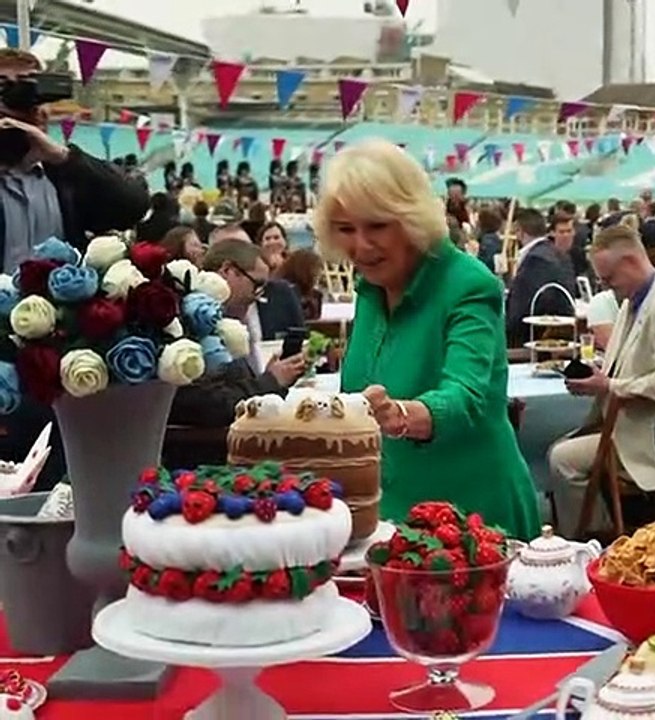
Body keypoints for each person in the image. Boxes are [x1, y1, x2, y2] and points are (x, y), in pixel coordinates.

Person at [315, 140, 539, 540]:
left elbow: (466, 396)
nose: (361, 245)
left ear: (411, 218)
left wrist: (401, 415)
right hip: (388, 518)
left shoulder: (469, 284)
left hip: (473, 520)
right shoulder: (369, 289)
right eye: (346, 229)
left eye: (377, 226)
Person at [0, 48, 149, 491]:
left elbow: (132, 204)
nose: (31, 104)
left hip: (56, 365)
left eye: (36, 92)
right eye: (10, 89)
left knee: (56, 496)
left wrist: (63, 157)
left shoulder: (63, 177)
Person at [548, 225, 655, 535]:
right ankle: (597, 533)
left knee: (562, 459)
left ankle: (592, 538)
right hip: (620, 426)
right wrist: (600, 376)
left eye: (609, 278)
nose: (606, 286)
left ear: (631, 263)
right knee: (561, 450)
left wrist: (609, 385)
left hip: (644, 437)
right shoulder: (634, 301)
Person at [169, 240, 308, 430]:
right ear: (227, 270)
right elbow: (206, 405)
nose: (257, 296)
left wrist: (270, 378)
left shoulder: (221, 325)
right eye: (256, 285)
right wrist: (270, 381)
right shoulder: (187, 322)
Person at [505, 210, 575, 345]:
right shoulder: (560, 254)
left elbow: (521, 307)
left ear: (519, 231)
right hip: (562, 333)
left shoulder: (535, 259)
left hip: (533, 338)